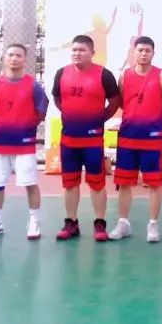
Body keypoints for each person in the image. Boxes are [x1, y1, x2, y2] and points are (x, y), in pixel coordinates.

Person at [0, 43, 49, 240]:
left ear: (25, 59)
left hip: (25, 146)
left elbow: (41, 112)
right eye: (10, 55)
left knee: (30, 183)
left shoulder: (33, 86)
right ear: (4, 58)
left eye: (18, 55)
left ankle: (34, 222)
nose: (14, 58)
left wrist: (25, 126)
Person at [52, 35, 121, 241]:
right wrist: (71, 114)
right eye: (74, 50)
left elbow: (115, 101)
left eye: (82, 50)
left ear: (92, 53)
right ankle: (71, 223)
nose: (77, 53)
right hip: (69, 141)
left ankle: (100, 224)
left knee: (97, 183)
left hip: (93, 142)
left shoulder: (104, 75)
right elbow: (57, 98)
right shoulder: (61, 73)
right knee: (69, 184)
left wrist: (99, 119)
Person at [109, 36, 162, 242]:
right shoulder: (124, 76)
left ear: (153, 53)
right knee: (124, 183)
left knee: (154, 183)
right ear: (133, 52)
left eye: (147, 50)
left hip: (152, 139)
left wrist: (153, 122)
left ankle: (153, 225)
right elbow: (122, 102)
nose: (144, 54)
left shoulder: (161, 75)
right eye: (140, 50)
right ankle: (123, 223)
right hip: (128, 137)